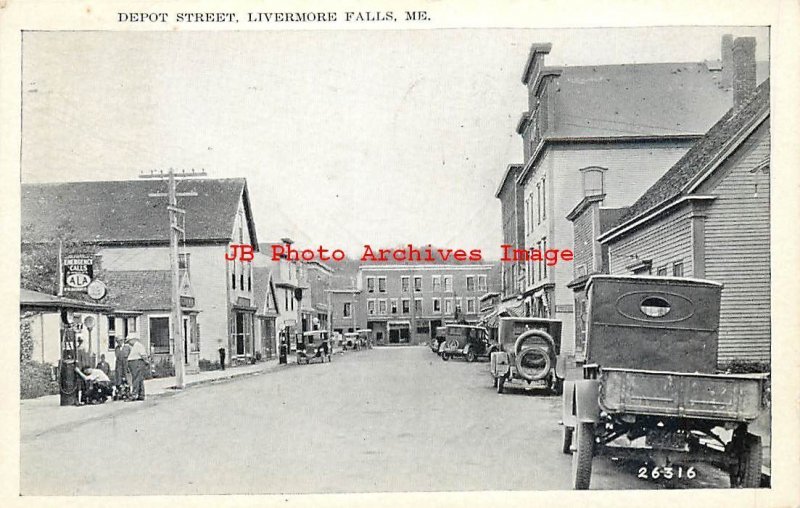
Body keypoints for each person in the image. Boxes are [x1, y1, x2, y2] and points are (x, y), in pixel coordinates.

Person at [125, 333, 149, 401]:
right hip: (135, 362)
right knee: (139, 379)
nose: (129, 343)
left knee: (136, 379)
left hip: (137, 362)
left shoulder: (138, 346)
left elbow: (143, 355)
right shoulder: (135, 346)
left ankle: (134, 395)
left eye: (129, 341)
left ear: (133, 340)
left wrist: (147, 362)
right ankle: (141, 394)